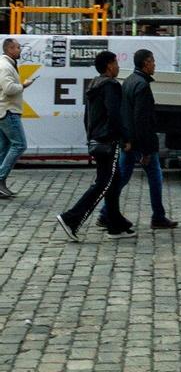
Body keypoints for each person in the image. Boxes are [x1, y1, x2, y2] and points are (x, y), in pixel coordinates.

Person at [56, 50, 131, 240]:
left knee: (113, 181)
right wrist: (125, 137)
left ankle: (115, 224)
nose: (118, 66)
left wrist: (91, 137)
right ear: (109, 65)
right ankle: (71, 218)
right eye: (115, 63)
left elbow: (87, 116)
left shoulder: (94, 84)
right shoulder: (111, 86)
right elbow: (114, 115)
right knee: (104, 183)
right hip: (107, 140)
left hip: (97, 139)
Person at [105, 48, 175, 231]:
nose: (154, 64)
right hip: (140, 142)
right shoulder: (142, 86)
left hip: (129, 140)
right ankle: (158, 216)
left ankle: (105, 213)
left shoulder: (129, 81)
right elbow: (141, 120)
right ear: (145, 63)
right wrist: (145, 150)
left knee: (121, 177)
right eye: (152, 61)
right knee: (155, 176)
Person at [0, 38, 25, 199]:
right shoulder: (5, 66)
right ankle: (0, 178)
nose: (19, 50)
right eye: (17, 47)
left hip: (5, 110)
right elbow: (9, 89)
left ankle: (1, 185)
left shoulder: (7, 64)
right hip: (8, 111)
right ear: (10, 49)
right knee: (20, 144)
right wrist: (24, 85)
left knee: (4, 148)